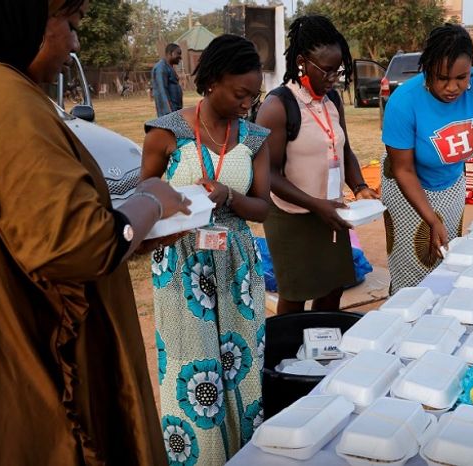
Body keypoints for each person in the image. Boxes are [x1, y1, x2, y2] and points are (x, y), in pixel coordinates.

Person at [0, 0, 192, 463]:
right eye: (70, 24)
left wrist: (130, 235)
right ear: (24, 15)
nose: (74, 43)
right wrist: (151, 200)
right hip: (33, 370)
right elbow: (77, 245)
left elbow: (14, 229)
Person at [141, 34, 271, 463]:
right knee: (192, 368)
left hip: (236, 263)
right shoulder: (166, 133)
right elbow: (145, 196)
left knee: (241, 365)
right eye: (240, 93)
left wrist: (228, 195)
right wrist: (177, 205)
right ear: (212, 81)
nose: (247, 104)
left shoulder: (254, 137)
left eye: (253, 96)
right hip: (181, 264)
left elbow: (264, 207)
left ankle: (244, 456)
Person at [255, 15, 378, 313]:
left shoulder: (331, 99)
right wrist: (316, 205)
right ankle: (290, 343)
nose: (333, 78)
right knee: (296, 294)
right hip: (291, 215)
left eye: (338, 70)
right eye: (327, 70)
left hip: (331, 211)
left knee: (333, 288)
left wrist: (360, 187)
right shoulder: (277, 106)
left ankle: (323, 340)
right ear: (302, 62)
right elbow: (269, 174)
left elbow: (344, 149)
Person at [381, 24, 473, 292]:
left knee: (447, 261)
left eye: (461, 77)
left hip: (451, 183)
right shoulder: (404, 102)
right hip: (408, 187)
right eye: (442, 78)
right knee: (415, 265)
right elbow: (403, 170)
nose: (452, 87)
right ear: (427, 69)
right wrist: (431, 219)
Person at [152, 43, 183, 117]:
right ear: (170, 53)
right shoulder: (161, 68)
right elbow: (162, 91)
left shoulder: (169, 67)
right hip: (168, 113)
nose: (180, 57)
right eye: (178, 53)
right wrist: (169, 113)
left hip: (175, 110)